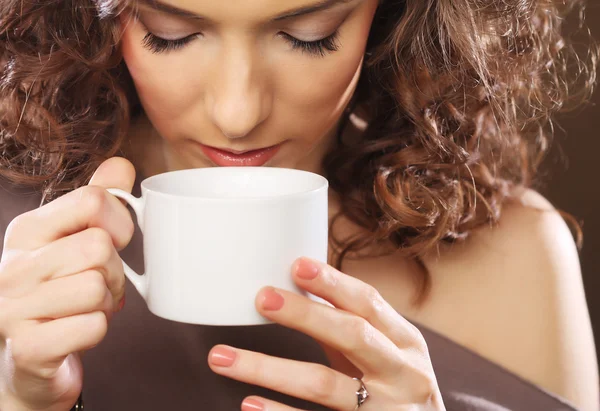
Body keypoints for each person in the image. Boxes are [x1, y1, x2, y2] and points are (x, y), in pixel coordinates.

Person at [0, 0, 598, 410]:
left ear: (389, 15)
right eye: (171, 33)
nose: (237, 113)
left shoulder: (520, 255)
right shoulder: (19, 237)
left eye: (307, 36)